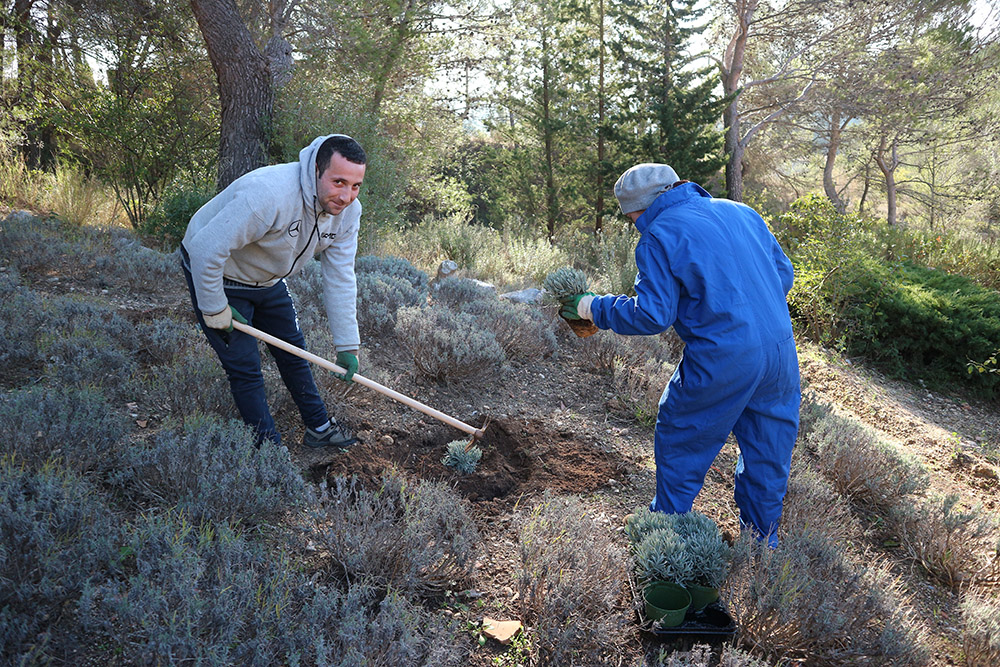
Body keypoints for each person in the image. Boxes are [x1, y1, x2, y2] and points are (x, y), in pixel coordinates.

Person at [561, 164, 801, 546]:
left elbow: (652, 314)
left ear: (640, 208)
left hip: (725, 355)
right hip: (781, 352)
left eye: (631, 217)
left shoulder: (659, 233)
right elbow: (783, 275)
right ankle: (761, 547)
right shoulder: (741, 212)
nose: (635, 225)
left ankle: (665, 536)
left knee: (681, 434)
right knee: (768, 451)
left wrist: (592, 307)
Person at [180, 134, 366, 449]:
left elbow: (340, 275)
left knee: (294, 351)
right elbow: (205, 250)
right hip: (221, 273)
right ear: (317, 170)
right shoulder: (269, 194)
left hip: (268, 280)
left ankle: (319, 429)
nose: (347, 196)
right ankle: (269, 451)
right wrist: (214, 308)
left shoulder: (348, 212)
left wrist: (347, 343)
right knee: (245, 367)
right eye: (338, 182)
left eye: (355, 185)